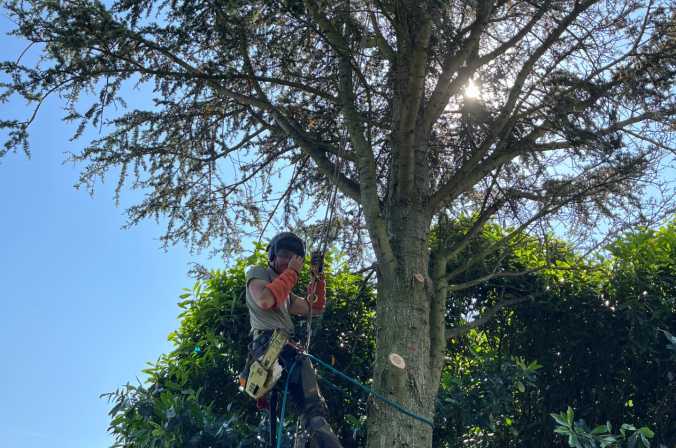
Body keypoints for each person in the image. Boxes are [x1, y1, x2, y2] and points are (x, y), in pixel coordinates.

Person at [245, 231, 343, 447]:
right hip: (267, 346)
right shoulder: (258, 273)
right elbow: (264, 300)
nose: (289, 261)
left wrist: (317, 277)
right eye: (285, 255)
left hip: (284, 348)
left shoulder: (286, 293)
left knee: (312, 409)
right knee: (311, 406)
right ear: (272, 255)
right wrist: (292, 273)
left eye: (294, 258)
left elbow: (314, 308)